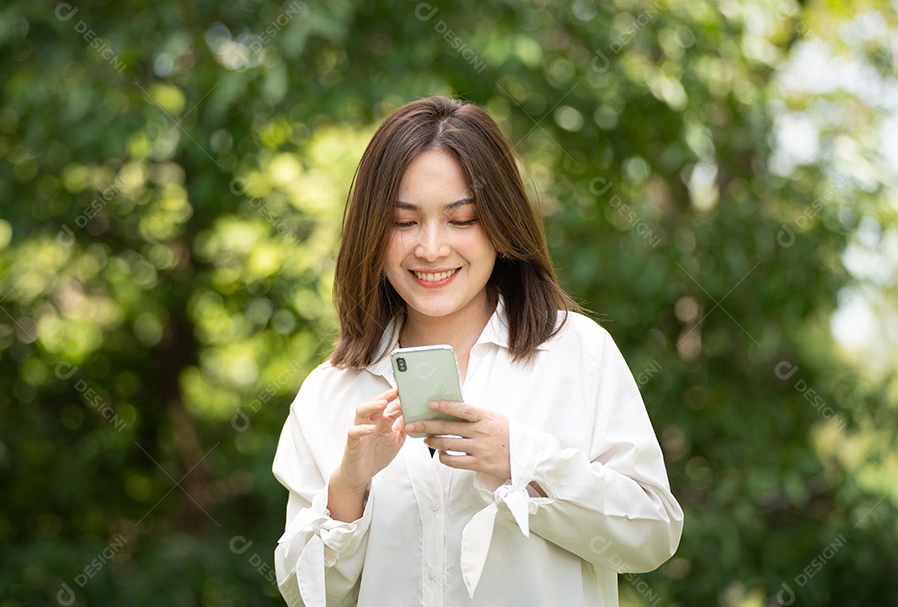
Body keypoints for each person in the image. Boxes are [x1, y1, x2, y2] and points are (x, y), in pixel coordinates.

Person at [272, 96, 683, 606]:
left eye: (461, 219)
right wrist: (348, 488)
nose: (431, 248)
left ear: (501, 223)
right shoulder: (329, 391)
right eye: (404, 222)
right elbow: (305, 593)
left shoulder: (576, 353)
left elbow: (652, 535)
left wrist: (523, 460)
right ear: (371, 232)